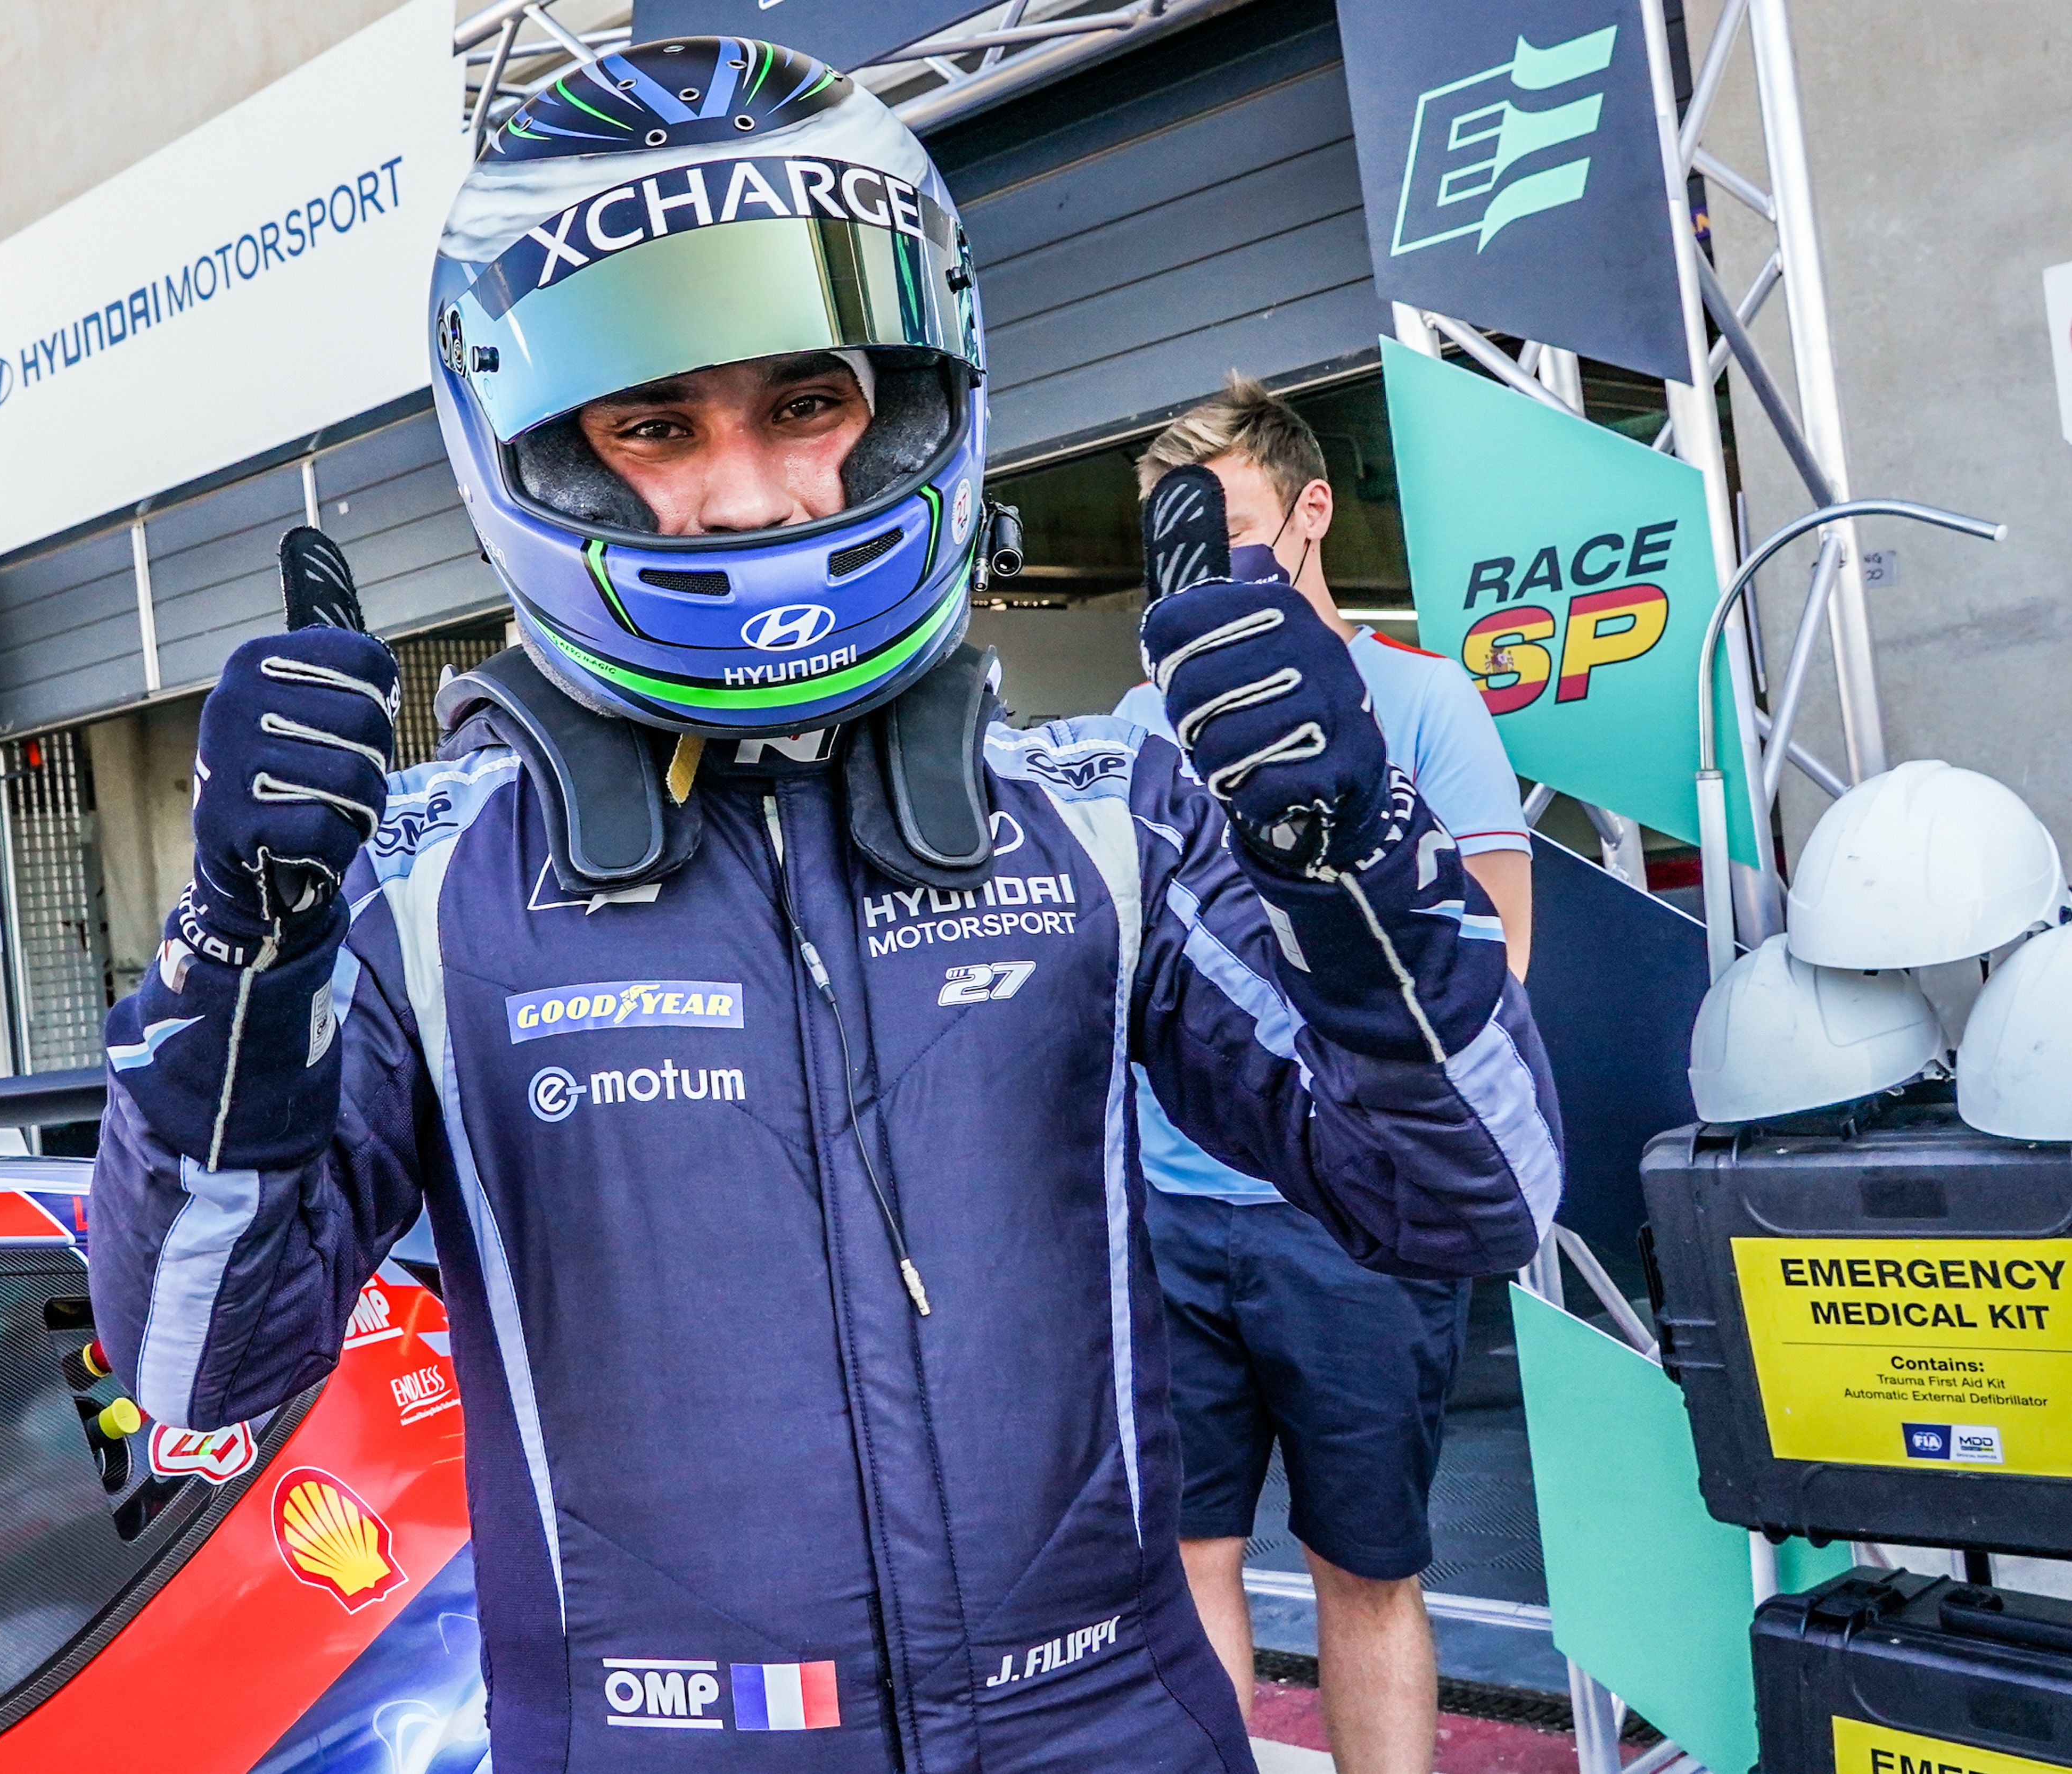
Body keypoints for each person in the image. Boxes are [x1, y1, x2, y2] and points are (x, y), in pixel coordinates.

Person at [88, 40, 1559, 1774]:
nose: (755, 494)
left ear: (913, 404)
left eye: (807, 405)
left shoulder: (1102, 813)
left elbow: (1478, 1193)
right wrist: (242, 960)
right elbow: (192, 1368)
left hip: (1111, 1732)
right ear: (541, 456)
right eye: (656, 425)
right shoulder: (419, 889)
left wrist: (1354, 865)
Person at [1114, 379, 1535, 1774]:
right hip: (1170, 1214)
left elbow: (1498, 964)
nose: (1199, 563)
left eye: (1225, 526)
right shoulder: (1137, 721)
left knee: (1367, 1568)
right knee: (1187, 1559)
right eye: (1174, 535)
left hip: (1355, 1217)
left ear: (1309, 513)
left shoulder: (1420, 699)